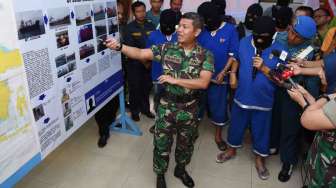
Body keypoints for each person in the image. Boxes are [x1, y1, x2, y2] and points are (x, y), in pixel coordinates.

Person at [105, 12, 214, 188]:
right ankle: (160, 174)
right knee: (162, 144)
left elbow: (203, 83)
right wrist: (119, 47)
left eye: (185, 27)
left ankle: (180, 169)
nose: (179, 29)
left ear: (197, 32)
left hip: (190, 108)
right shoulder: (166, 48)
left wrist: (175, 80)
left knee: (186, 145)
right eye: (180, 26)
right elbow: (140, 53)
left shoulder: (205, 55)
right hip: (166, 106)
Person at [216, 16, 286, 180]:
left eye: (264, 36)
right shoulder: (244, 42)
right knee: (236, 126)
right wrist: (233, 73)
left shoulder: (280, 50)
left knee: (261, 131)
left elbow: (282, 80)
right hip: (242, 96)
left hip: (264, 100)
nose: (260, 39)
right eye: (257, 35)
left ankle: (259, 159)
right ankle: (232, 150)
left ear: (272, 34)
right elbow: (237, 59)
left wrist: (264, 68)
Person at [270, 16, 318, 182]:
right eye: (291, 31)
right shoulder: (281, 37)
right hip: (276, 88)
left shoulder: (309, 52)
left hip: (295, 91)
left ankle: (288, 162)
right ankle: (273, 145)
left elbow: (308, 78)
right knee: (275, 119)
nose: (291, 36)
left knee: (290, 128)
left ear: (306, 39)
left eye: (297, 36)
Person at [197, 2, 239, 151]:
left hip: (219, 79)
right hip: (200, 77)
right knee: (197, 104)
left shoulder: (230, 30)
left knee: (219, 107)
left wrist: (223, 72)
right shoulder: (201, 30)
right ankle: (193, 129)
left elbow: (233, 55)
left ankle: (218, 135)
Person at [287, 85, 336, 187]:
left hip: (328, 176)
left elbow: (307, 119)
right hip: (322, 164)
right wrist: (306, 94)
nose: (322, 74)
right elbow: (323, 113)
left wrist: (302, 101)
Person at [94, 0, 124, 148]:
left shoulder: (121, 28)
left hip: (116, 69)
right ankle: (103, 132)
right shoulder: (100, 29)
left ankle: (112, 121)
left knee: (115, 98)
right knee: (100, 104)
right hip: (99, 71)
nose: (119, 16)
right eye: (116, 13)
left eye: (121, 13)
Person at [146, 9, 179, 134]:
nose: (167, 27)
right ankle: (158, 123)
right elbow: (146, 54)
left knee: (175, 102)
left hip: (177, 78)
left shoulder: (180, 35)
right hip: (158, 76)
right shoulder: (153, 35)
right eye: (165, 24)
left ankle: (174, 125)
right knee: (159, 101)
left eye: (171, 24)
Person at [124, 1, 156, 121]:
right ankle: (134, 111)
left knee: (147, 88)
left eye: (143, 10)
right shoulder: (129, 28)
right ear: (134, 12)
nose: (141, 14)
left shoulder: (150, 25)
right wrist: (145, 61)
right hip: (135, 64)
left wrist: (149, 62)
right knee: (135, 88)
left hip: (149, 63)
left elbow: (154, 44)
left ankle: (146, 109)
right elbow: (131, 47)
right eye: (138, 11)